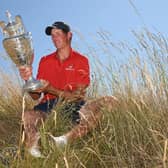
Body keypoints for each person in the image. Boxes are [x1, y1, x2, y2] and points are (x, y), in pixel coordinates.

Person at [19, 21, 96, 158]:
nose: (55, 38)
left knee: (102, 108)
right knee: (28, 116)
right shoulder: (45, 60)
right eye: (52, 36)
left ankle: (62, 141)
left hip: (73, 105)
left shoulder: (81, 60)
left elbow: (78, 96)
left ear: (69, 35)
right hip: (47, 105)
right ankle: (34, 152)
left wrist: (52, 89)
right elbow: (36, 96)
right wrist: (28, 79)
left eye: (58, 34)